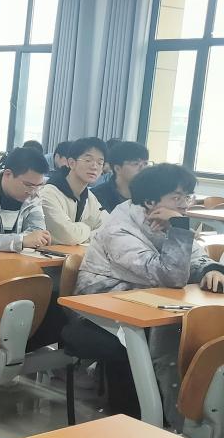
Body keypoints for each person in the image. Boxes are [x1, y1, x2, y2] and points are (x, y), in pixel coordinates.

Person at [69, 163, 224, 421]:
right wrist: (180, 228)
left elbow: (194, 259)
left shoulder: (166, 221)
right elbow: (170, 276)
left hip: (150, 302)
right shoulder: (119, 230)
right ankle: (161, 416)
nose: (185, 204)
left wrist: (211, 269)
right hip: (104, 307)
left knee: (203, 329)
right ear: (150, 201)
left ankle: (189, 413)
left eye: (187, 197)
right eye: (177, 197)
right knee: (172, 336)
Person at [38, 136, 108, 245]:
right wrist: (88, 226)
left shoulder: (90, 197)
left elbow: (109, 229)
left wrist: (81, 233)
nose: (94, 167)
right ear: (71, 163)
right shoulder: (49, 193)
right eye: (88, 160)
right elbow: (67, 236)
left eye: (100, 163)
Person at [91, 141, 149, 213]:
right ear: (117, 169)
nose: (143, 168)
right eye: (136, 164)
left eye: (145, 164)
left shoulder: (151, 196)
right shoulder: (95, 197)